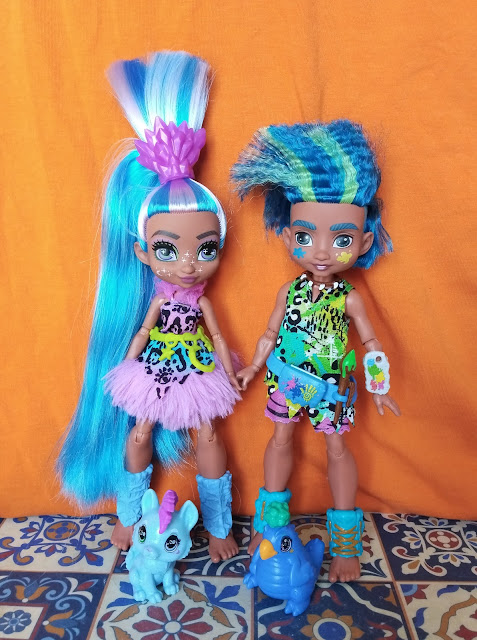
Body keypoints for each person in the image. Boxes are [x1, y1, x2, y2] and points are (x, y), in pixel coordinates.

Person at [57, 51, 240, 563]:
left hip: (198, 366)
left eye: (206, 248)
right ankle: (127, 516)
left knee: (208, 435)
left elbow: (217, 336)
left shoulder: (199, 302)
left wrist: (231, 369)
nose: (189, 264)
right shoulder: (157, 299)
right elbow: (142, 331)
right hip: (156, 364)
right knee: (138, 433)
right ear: (142, 253)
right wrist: (128, 362)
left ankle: (220, 526)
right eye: (167, 250)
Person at [231, 120, 400, 582]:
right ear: (289, 238)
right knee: (280, 440)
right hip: (286, 379)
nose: (322, 252)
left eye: (341, 240)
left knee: (337, 450)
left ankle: (345, 545)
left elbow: (370, 343)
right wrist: (253, 365)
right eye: (306, 237)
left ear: (363, 242)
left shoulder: (349, 298)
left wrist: (379, 386)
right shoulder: (289, 291)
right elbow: (270, 332)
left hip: (331, 390)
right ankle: (270, 526)